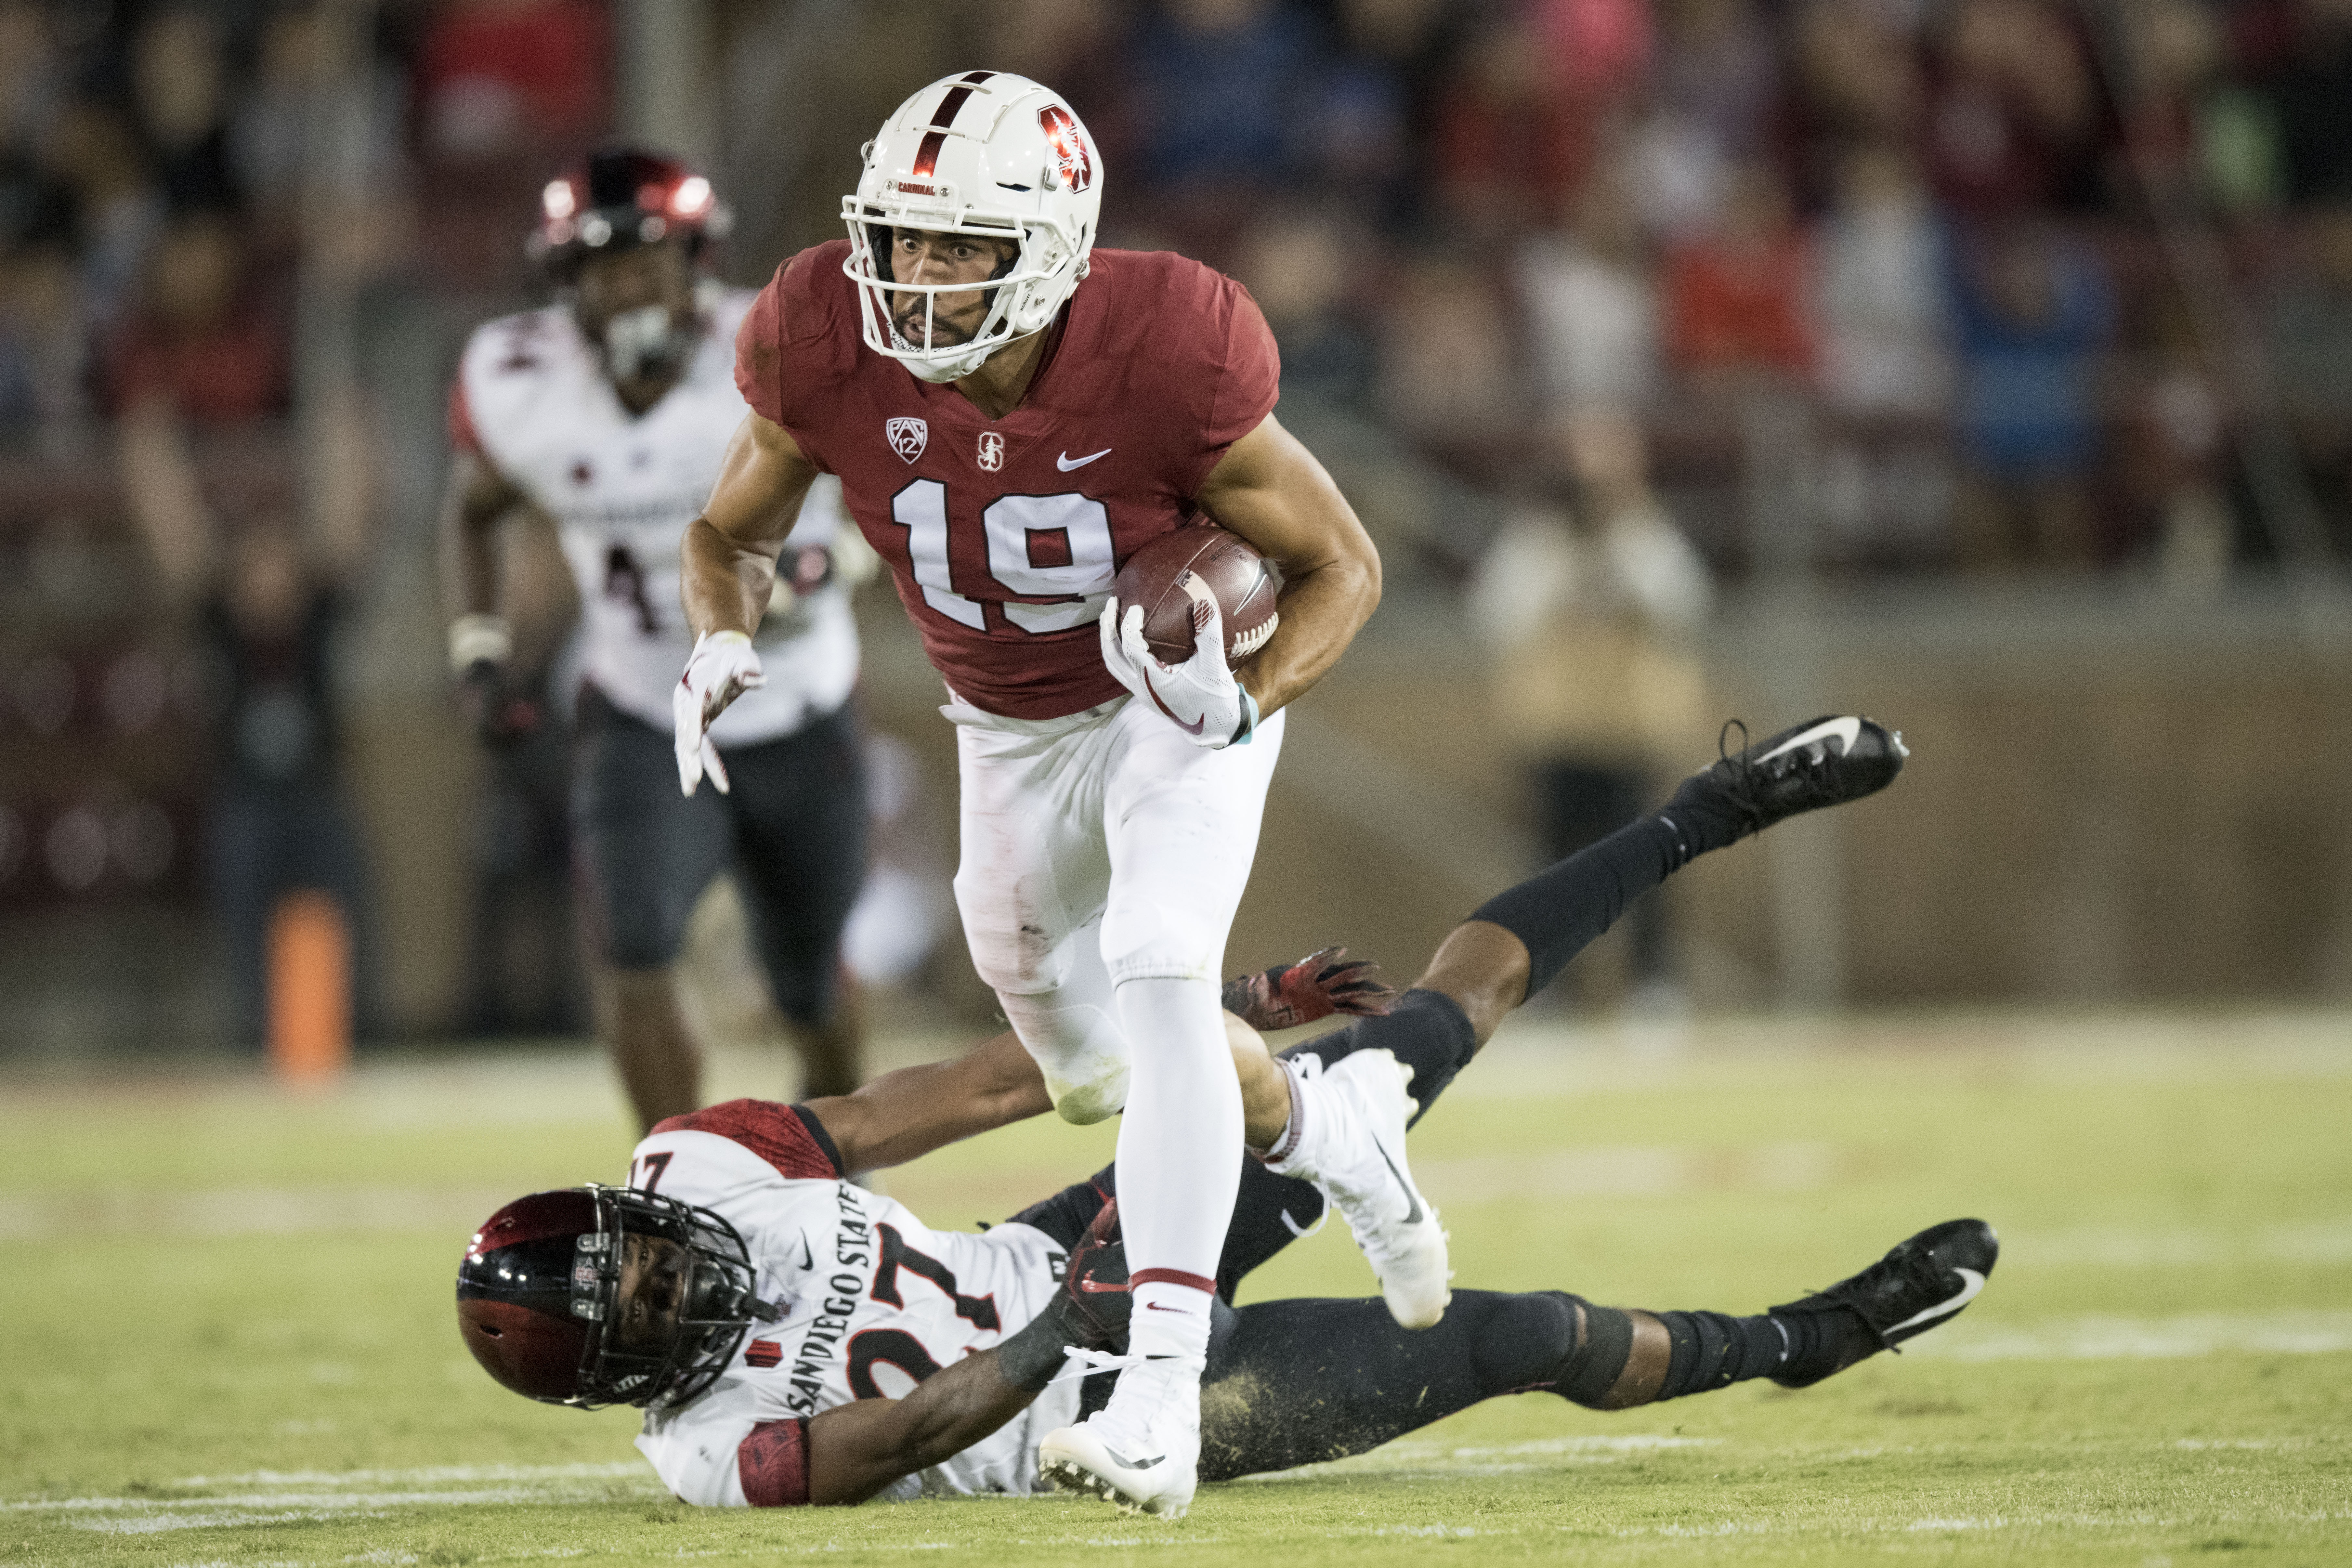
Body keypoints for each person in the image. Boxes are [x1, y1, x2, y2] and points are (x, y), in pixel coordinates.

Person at [456, 716, 1989, 1522]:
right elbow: (918, 1428)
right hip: (1095, 1409)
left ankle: (1711, 808)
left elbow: (999, 1082)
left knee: (1420, 1030)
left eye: (647, 1252)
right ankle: (1813, 1338)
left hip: (1053, 1248)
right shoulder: (708, 1454)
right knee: (1515, 1337)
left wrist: (1232, 1007)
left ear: (635, 1205)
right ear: (621, 1379)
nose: (682, 1273)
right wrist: (1093, 1328)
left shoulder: (708, 1163)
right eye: (650, 1309)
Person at [670, 73, 1384, 1507]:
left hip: (1162, 699)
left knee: (1161, 964)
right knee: (1086, 1064)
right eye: (901, 239)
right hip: (1001, 730)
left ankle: (1157, 1394)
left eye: (958, 248)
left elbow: (1344, 568)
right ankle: (1322, 1129)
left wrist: (1237, 700)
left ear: (1051, 247)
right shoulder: (822, 335)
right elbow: (729, 527)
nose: (914, 279)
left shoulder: (1171, 344)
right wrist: (721, 634)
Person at [440, 149, 869, 1128]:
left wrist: (829, 566)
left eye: (645, 261)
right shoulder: (522, 381)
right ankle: (677, 1178)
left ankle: (846, 1174)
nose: (625, 286)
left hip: (797, 699)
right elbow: (472, 508)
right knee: (632, 943)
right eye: (599, 267)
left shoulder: (782, 349)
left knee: (806, 982)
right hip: (645, 704)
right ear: (565, 282)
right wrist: (479, 647)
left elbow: (891, 508)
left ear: (697, 263)